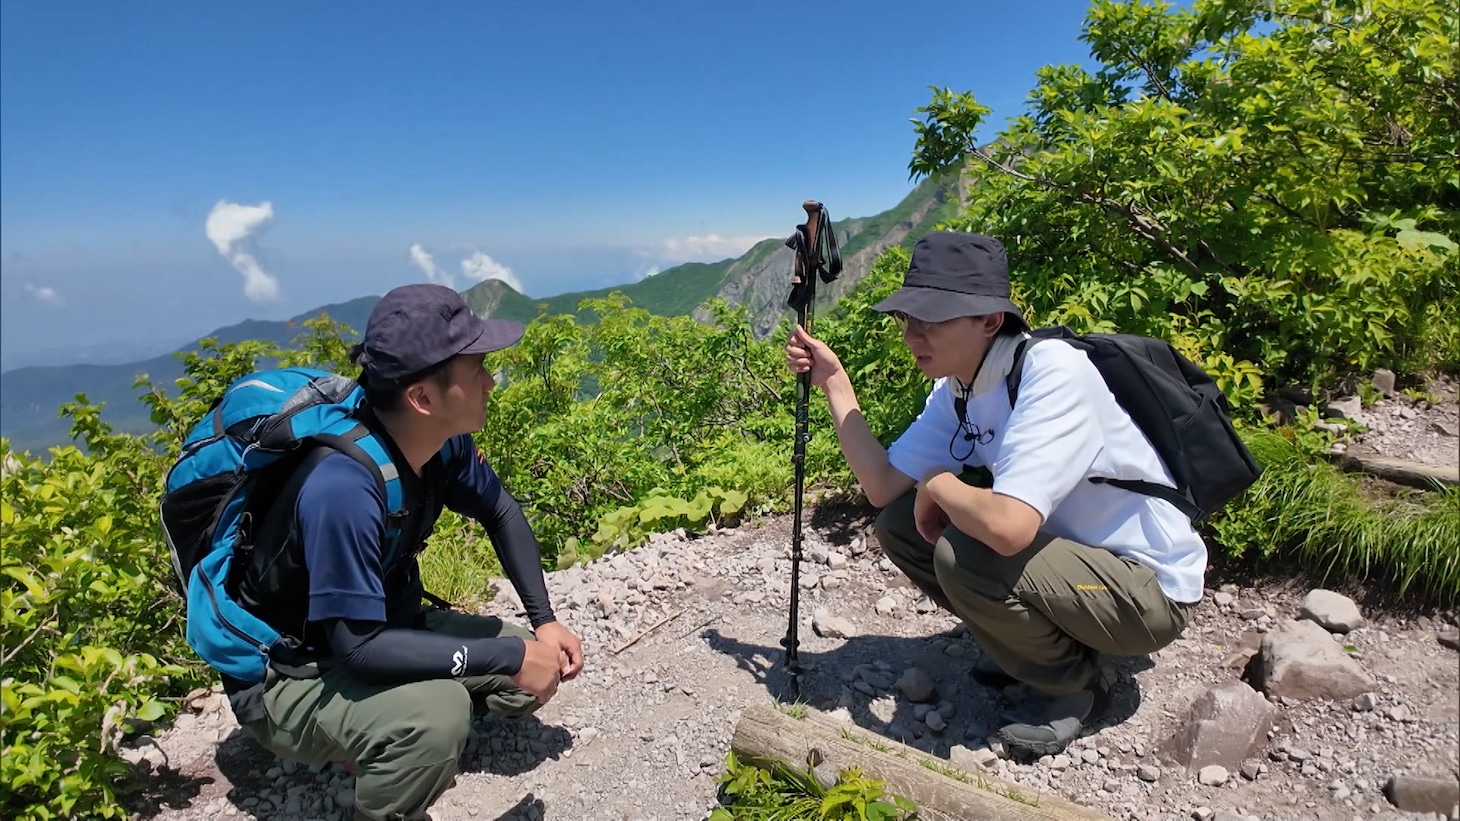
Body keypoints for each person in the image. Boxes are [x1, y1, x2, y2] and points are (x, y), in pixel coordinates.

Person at [784, 231, 1205, 756]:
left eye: (932, 320)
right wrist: (835, 382)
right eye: (907, 319)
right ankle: (1031, 649)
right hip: (1074, 572)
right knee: (899, 523)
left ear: (989, 321)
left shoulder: (1052, 371)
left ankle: (1070, 685)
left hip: (1145, 593)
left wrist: (938, 483)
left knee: (969, 551)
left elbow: (1009, 529)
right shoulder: (960, 387)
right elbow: (882, 487)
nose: (913, 335)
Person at [225, 283, 584, 821]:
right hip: (293, 674)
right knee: (439, 717)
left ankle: (383, 731)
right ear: (422, 397)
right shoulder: (342, 488)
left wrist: (545, 621)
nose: (491, 380)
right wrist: (505, 657)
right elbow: (359, 650)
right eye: (476, 371)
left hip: (384, 627)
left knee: (538, 661)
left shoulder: (440, 442)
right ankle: (388, 750)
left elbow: (501, 511)